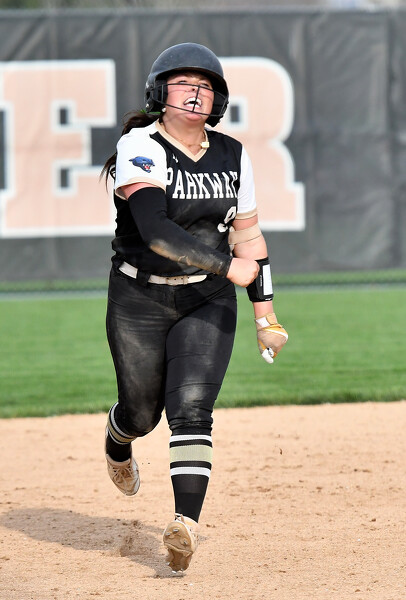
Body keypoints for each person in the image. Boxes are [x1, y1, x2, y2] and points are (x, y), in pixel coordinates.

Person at [101, 42, 288, 573]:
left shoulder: (232, 153)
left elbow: (248, 237)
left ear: (218, 100)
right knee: (142, 413)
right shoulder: (141, 144)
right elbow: (156, 231)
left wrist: (266, 315)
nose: (195, 92)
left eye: (206, 86)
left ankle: (185, 525)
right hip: (139, 296)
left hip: (206, 297)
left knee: (191, 409)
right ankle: (118, 438)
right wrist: (228, 267)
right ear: (160, 93)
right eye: (183, 83)